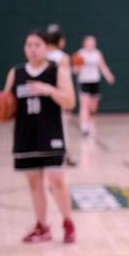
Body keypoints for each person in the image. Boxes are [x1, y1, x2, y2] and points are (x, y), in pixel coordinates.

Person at [0, 30, 77, 243]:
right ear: (25, 49)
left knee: (56, 179)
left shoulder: (56, 71)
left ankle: (68, 222)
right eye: (29, 45)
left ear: (46, 48)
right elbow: (6, 104)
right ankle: (42, 226)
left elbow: (70, 102)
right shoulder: (16, 73)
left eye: (37, 45)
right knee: (35, 183)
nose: (33, 49)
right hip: (25, 134)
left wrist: (48, 90)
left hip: (51, 132)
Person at [44, 25, 77, 166]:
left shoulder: (42, 56)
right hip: (59, 96)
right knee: (62, 126)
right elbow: (66, 79)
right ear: (59, 41)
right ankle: (67, 154)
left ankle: (51, 152)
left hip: (44, 95)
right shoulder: (63, 57)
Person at [72, 35, 116, 137]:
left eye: (93, 42)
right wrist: (78, 65)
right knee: (84, 104)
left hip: (94, 81)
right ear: (85, 43)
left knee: (93, 106)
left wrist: (108, 75)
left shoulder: (97, 53)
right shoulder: (80, 54)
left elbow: (102, 66)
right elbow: (75, 70)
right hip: (84, 82)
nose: (91, 44)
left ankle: (91, 123)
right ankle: (84, 126)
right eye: (89, 42)